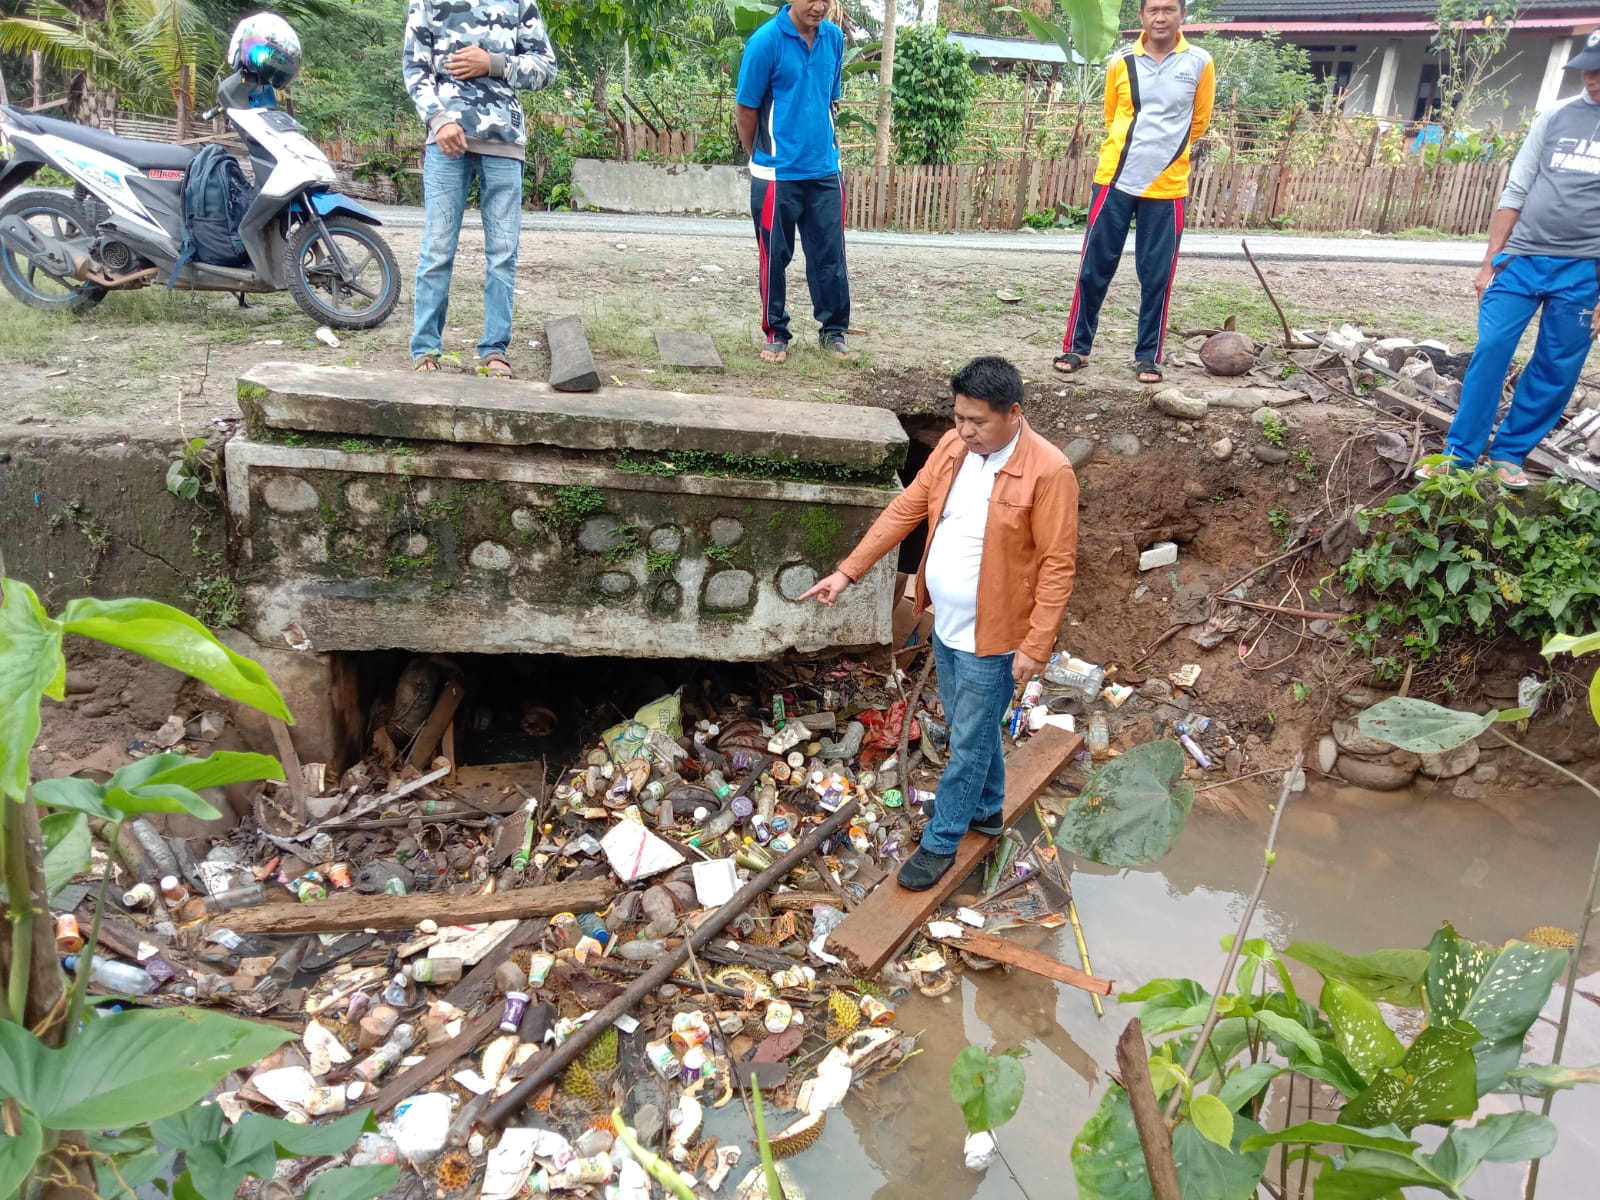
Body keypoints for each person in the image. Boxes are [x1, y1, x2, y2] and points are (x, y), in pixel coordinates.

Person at [802, 357, 1079, 891]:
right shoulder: (954, 450)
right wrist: (848, 571)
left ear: (1014, 413)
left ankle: (943, 840)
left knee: (969, 742)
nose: (965, 430)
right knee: (970, 728)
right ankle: (990, 810)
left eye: (978, 421)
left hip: (994, 636)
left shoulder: (1049, 472)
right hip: (947, 623)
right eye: (958, 417)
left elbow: (1057, 565)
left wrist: (1035, 645)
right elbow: (905, 509)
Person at [1418, 36, 1600, 489]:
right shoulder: (1556, 116)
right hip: (1521, 259)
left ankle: (1510, 452)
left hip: (1584, 269)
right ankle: (1460, 453)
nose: (1592, 79)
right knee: (1492, 347)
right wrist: (1489, 262)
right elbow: (1516, 190)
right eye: (1588, 69)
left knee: (1557, 366)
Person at [1053, 0, 1214, 385]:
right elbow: (1113, 117)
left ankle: (1147, 356)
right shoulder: (1120, 62)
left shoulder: (1199, 62)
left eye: (1169, 9)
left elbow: (1200, 120)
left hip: (1168, 185)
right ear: (1142, 16)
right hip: (1114, 181)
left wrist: (1163, 156)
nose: (1161, 17)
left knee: (1157, 275)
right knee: (1093, 269)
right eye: (1153, 10)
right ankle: (1078, 347)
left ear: (1182, 15)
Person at [403, 0, 558, 378]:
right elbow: (415, 67)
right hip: (445, 143)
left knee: (503, 253)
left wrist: (494, 63)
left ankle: (494, 350)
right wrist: (439, 120)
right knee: (437, 249)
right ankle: (425, 349)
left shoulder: (520, 4)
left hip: (504, 143)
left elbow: (546, 68)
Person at [735, 0, 853, 364]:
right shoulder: (765, 41)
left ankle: (834, 332)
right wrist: (760, 155)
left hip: (824, 172)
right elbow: (746, 108)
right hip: (776, 174)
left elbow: (831, 99)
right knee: (775, 258)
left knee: (830, 256)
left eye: (826, 0)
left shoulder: (834, 39)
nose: (819, 7)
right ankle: (776, 334)